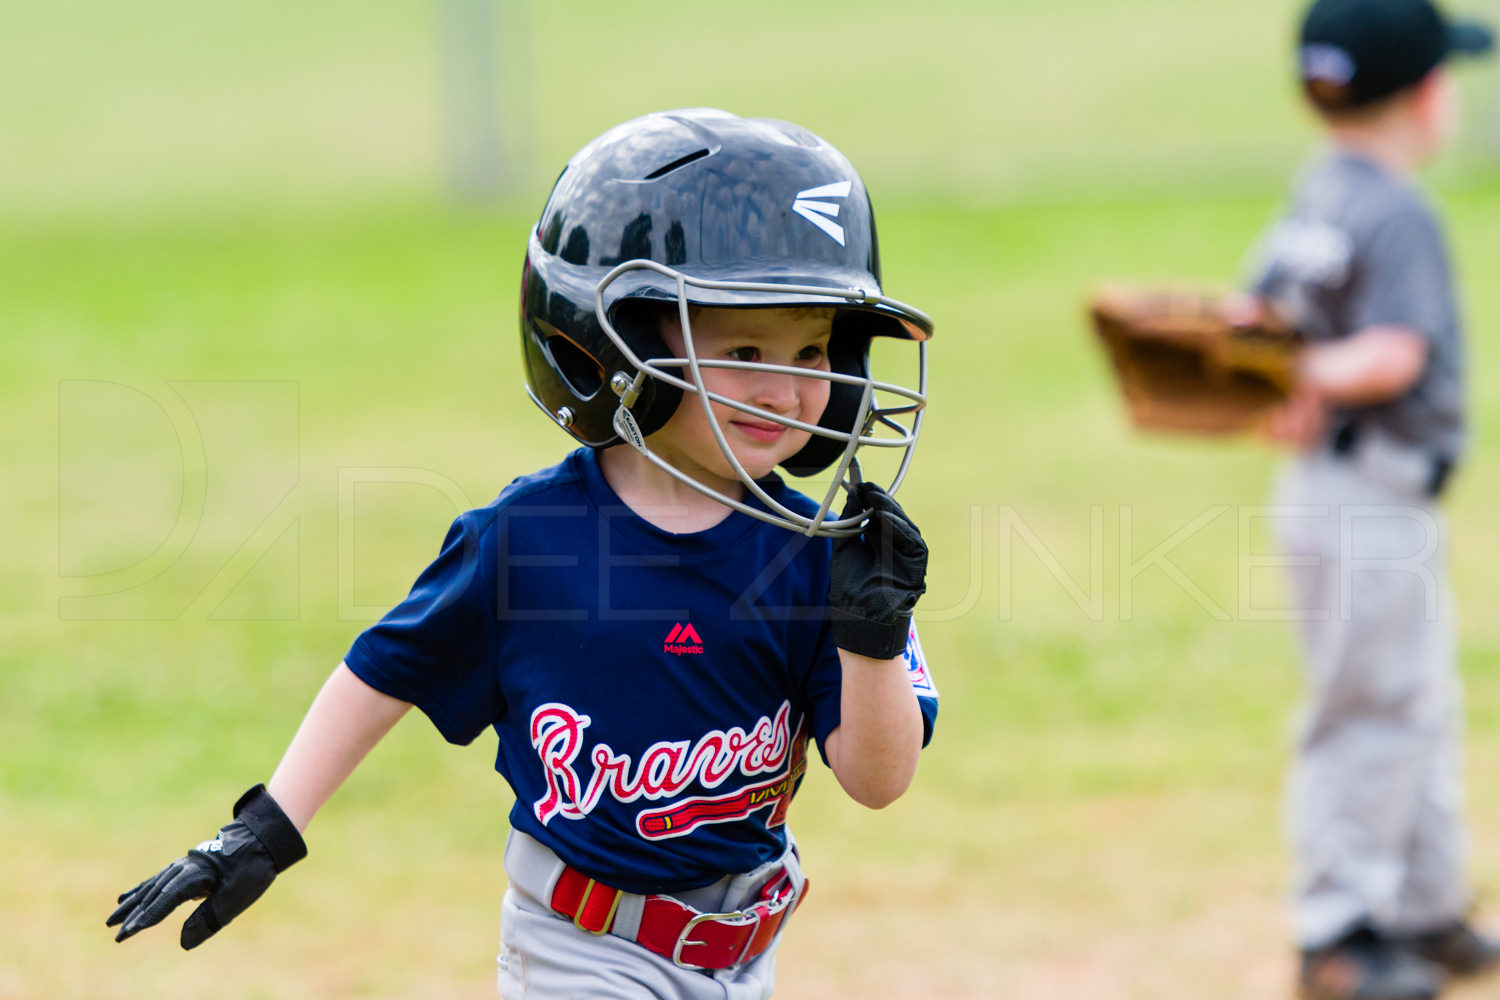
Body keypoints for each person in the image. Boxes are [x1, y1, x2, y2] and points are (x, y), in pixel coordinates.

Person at [105, 108, 940, 999]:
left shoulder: (822, 557)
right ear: (611, 341)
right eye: (743, 348)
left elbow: (877, 782)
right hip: (579, 950)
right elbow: (386, 670)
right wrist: (267, 827)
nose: (787, 390)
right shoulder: (527, 543)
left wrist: (872, 637)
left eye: (813, 349)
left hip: (745, 952)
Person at [1244, 2, 1496, 997]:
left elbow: (1254, 328)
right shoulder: (1398, 210)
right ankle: (1338, 932)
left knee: (1417, 703)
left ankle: (1425, 911)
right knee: (1373, 710)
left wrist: (1278, 375)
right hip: (1371, 496)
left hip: (1339, 492)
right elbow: (1393, 353)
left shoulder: (1318, 196)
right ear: (1427, 95)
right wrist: (1310, 374)